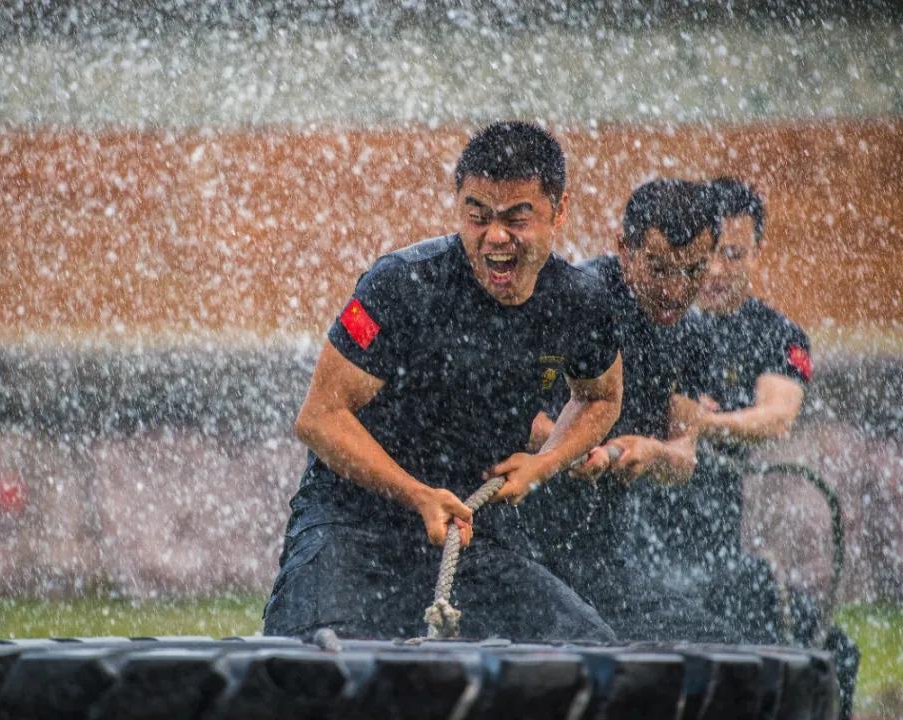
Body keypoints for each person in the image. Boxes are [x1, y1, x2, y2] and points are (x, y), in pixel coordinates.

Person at [263, 121, 624, 641]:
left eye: (516, 218)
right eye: (477, 216)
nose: (495, 237)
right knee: (316, 662)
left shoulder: (580, 301)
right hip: (351, 525)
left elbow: (600, 397)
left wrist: (544, 463)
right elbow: (320, 417)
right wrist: (418, 496)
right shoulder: (399, 284)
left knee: (591, 649)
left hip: (471, 530)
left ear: (558, 210)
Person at [525, 178, 744, 643]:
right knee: (587, 644)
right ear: (624, 250)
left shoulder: (693, 336)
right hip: (525, 540)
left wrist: (650, 452)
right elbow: (520, 419)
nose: (675, 290)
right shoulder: (575, 300)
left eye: (693, 270)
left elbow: (683, 457)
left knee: (718, 648)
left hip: (603, 554)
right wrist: (572, 448)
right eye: (658, 268)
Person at [671, 178, 859, 718]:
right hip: (637, 523)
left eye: (734, 255)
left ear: (757, 252)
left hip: (715, 534)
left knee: (832, 651)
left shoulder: (776, 333)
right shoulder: (662, 315)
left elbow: (777, 416)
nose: (716, 270)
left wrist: (702, 423)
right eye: (709, 253)